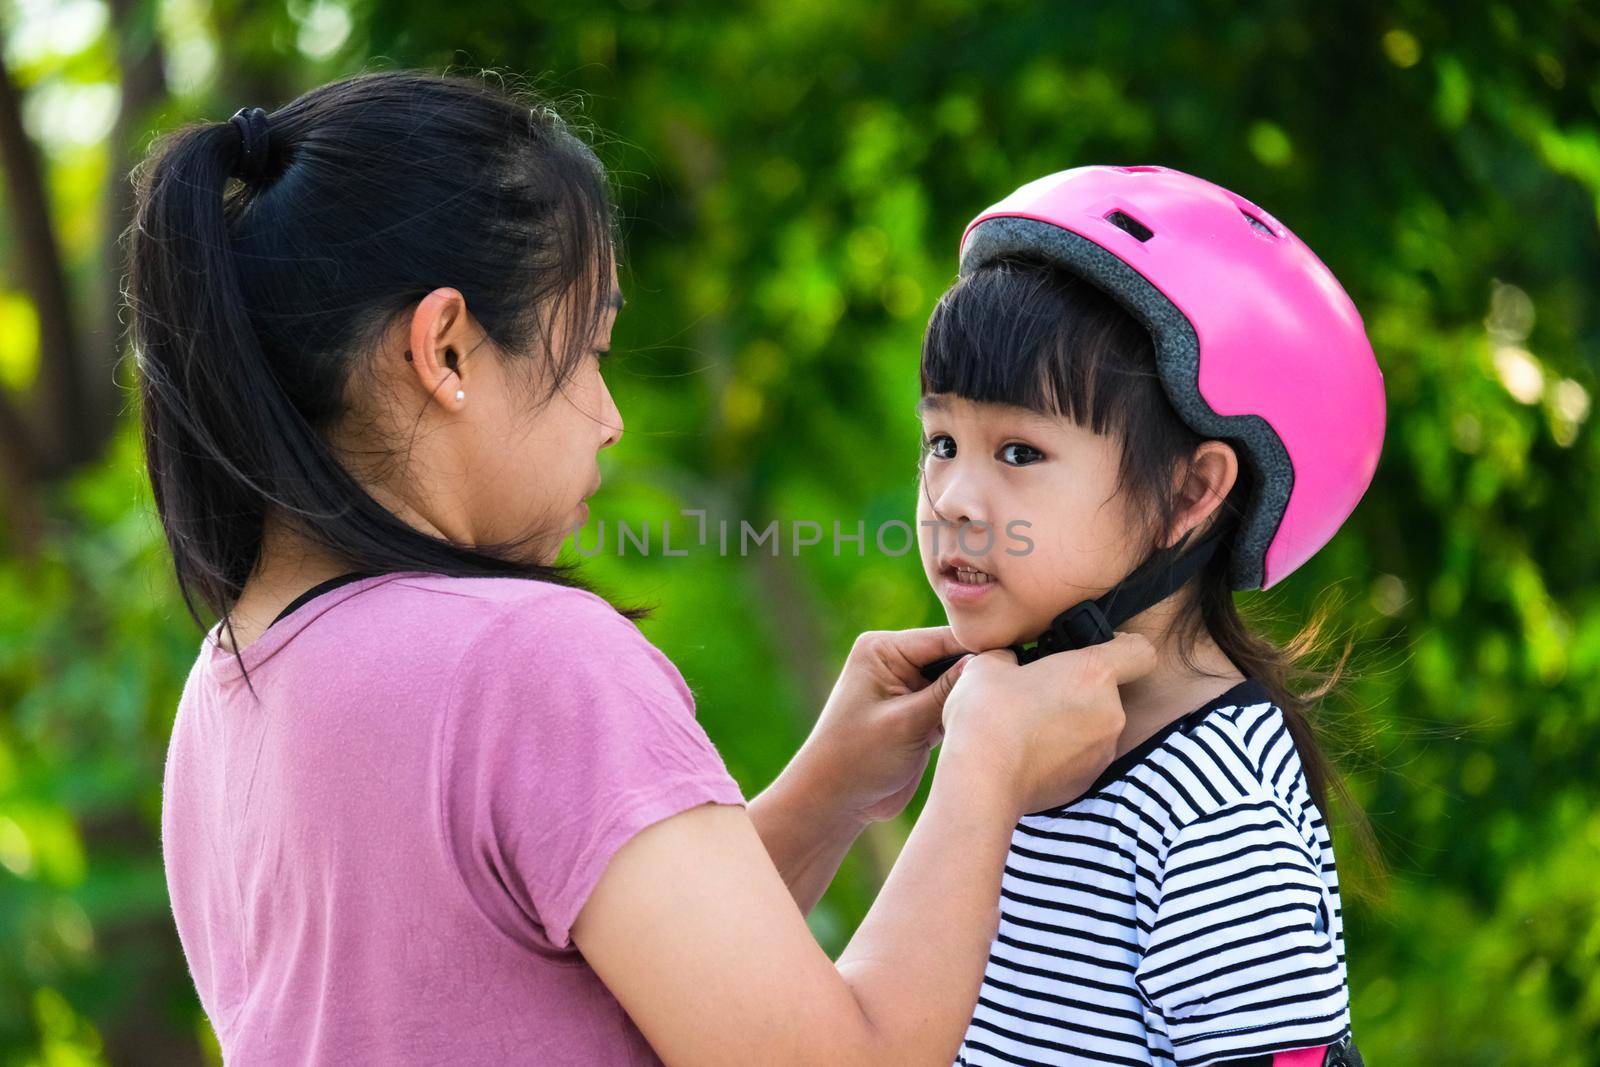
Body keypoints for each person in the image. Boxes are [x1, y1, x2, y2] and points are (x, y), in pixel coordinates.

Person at [128, 70, 1156, 1064]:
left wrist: (833, 787)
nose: (611, 419)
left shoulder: (229, 685)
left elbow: (614, 982)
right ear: (444, 349)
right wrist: (983, 767)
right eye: (591, 352)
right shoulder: (525, 659)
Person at [912, 165, 1382, 1066]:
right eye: (940, 442)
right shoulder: (1016, 726)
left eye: (1019, 449)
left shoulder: (1214, 811)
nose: (955, 500)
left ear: (1192, 491)